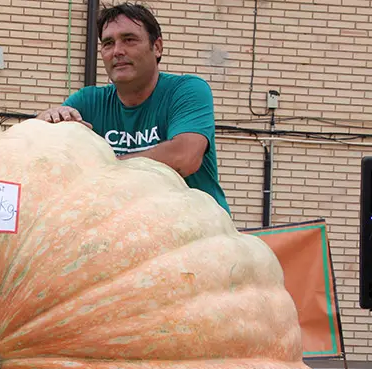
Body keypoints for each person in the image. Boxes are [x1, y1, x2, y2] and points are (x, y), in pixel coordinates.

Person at [37, 3, 230, 215]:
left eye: (129, 40)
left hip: (199, 229)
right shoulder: (87, 100)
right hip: (126, 234)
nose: (117, 51)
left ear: (157, 47)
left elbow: (184, 157)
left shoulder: (187, 90)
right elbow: (36, 156)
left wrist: (98, 170)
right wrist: (44, 124)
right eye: (108, 43)